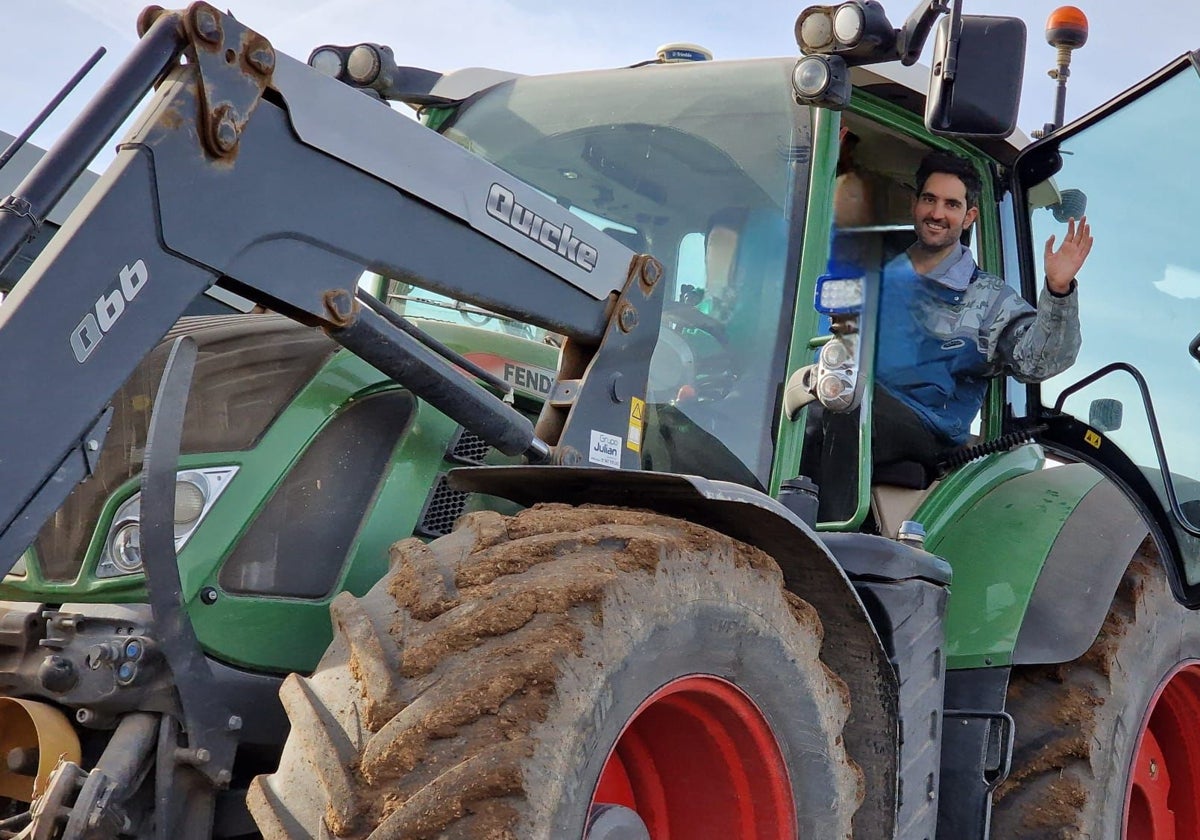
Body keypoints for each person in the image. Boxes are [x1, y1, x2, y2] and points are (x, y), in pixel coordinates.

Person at [873, 150, 1092, 469]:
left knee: (839, 412)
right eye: (929, 199)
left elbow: (1037, 361)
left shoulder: (989, 298)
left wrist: (1058, 290)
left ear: (969, 217)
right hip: (855, 400)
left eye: (952, 204)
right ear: (915, 204)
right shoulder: (875, 273)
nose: (937, 213)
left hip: (925, 429)